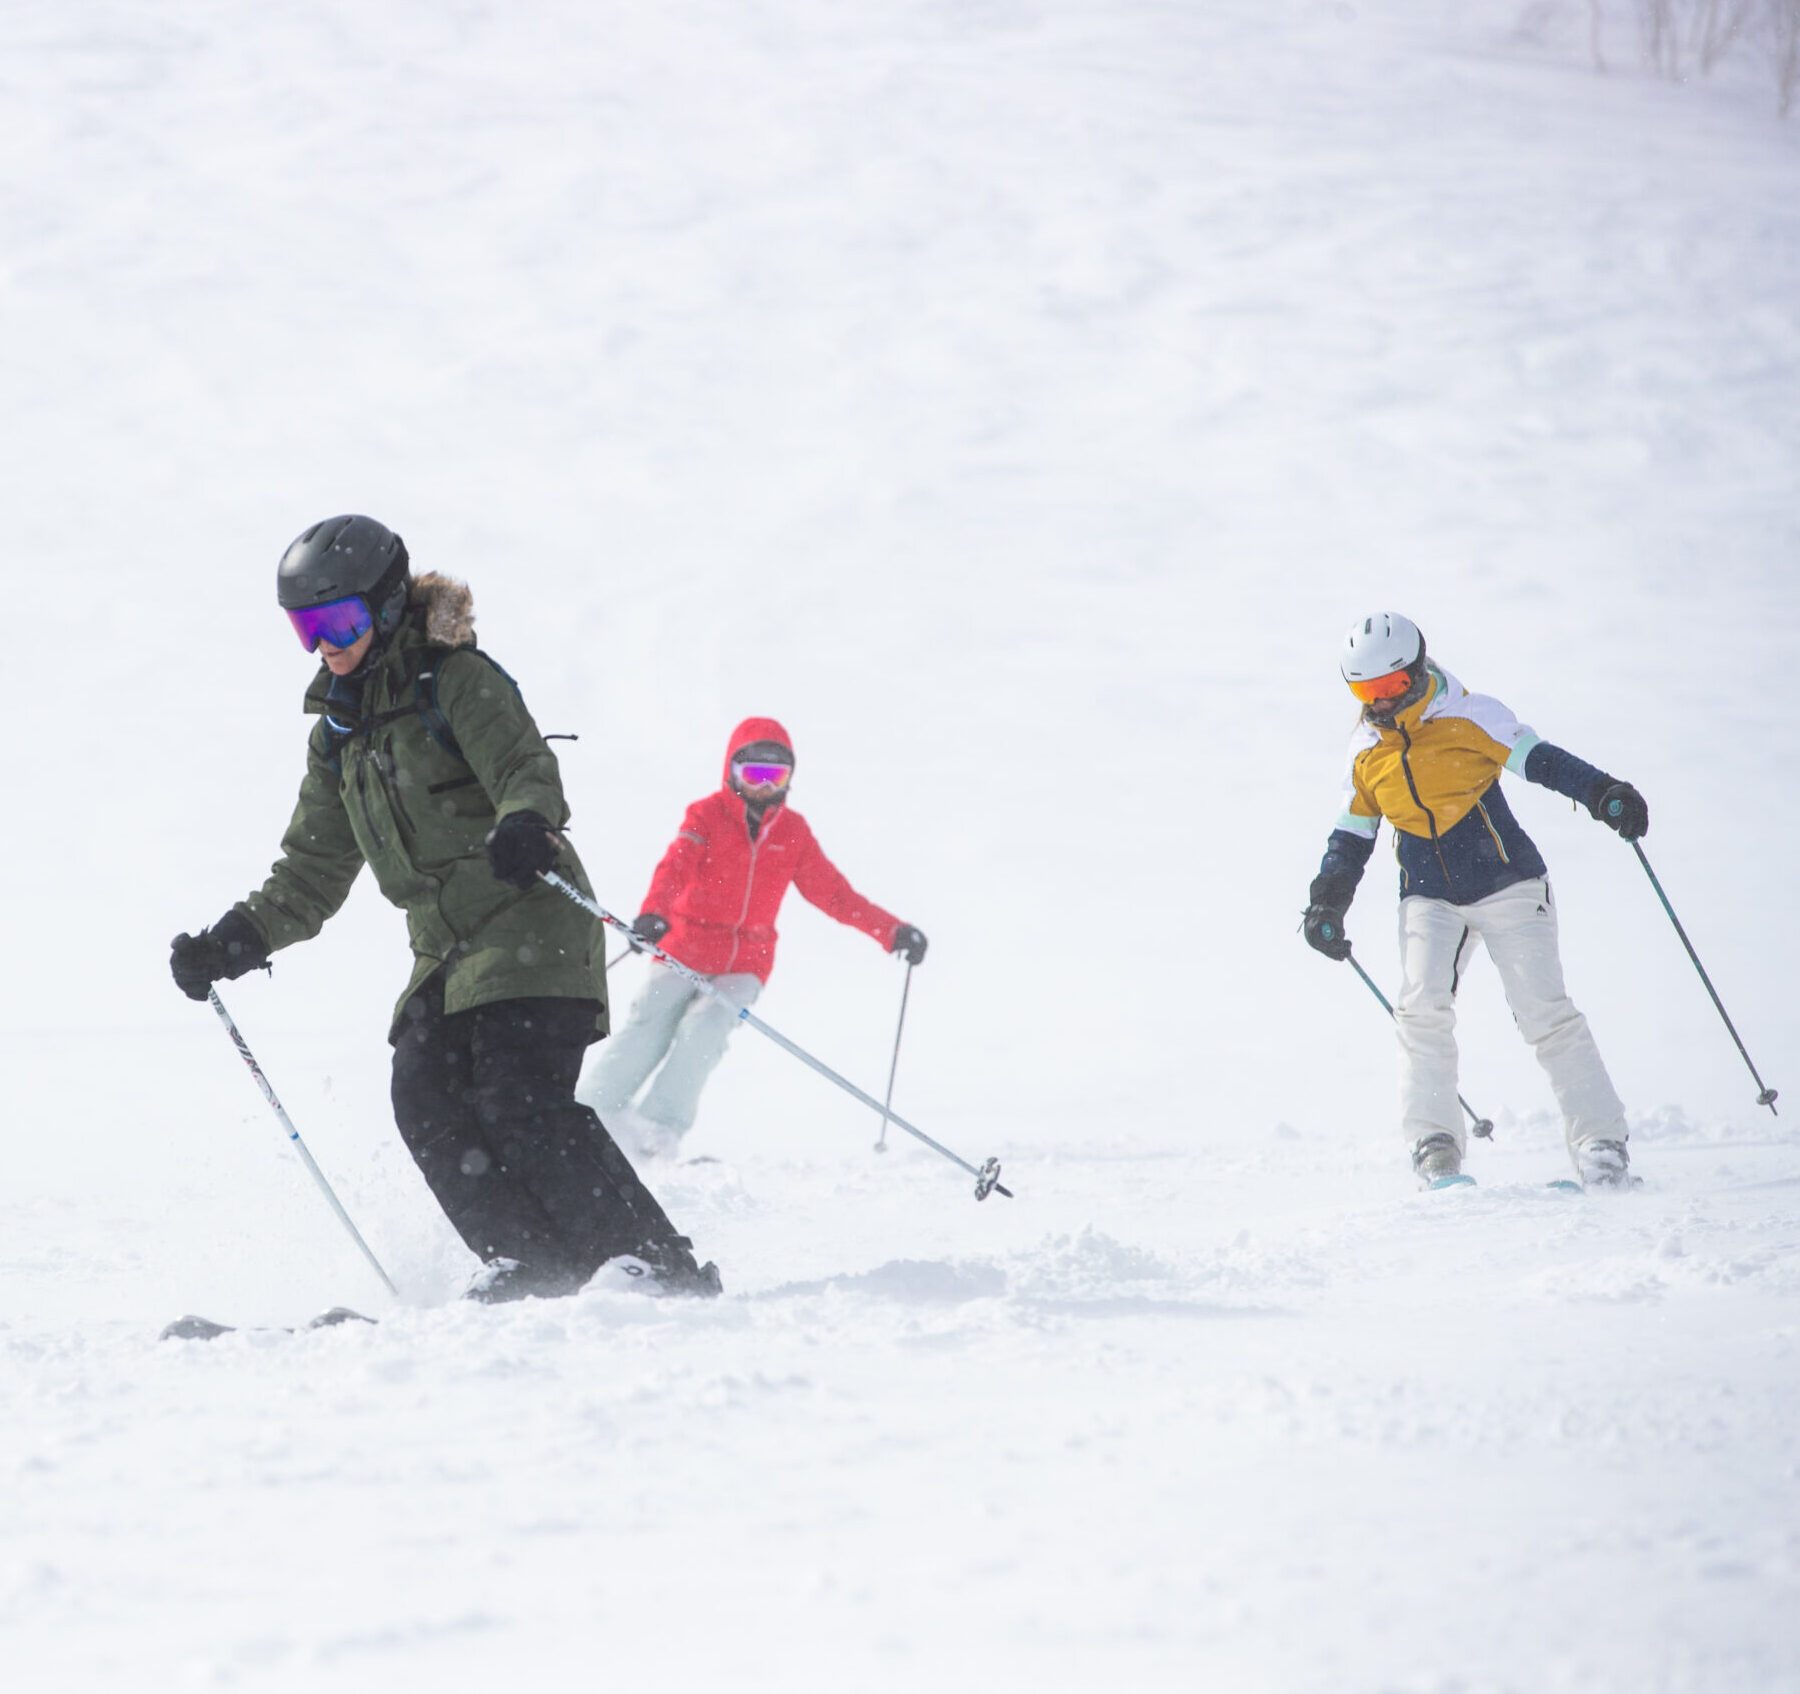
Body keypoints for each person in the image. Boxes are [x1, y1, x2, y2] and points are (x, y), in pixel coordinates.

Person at [170, 514, 718, 1300]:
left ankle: (656, 1264)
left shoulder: (455, 681)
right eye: (306, 628)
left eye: (341, 621)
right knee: (423, 1096)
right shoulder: (339, 737)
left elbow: (524, 765)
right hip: (445, 951)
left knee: (517, 1099)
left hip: (531, 922)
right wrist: (237, 939)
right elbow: (312, 868)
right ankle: (536, 1265)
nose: (327, 644)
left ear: (388, 607)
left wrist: (525, 820)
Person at [1301, 612, 1646, 1191]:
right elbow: (1351, 837)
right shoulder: (1365, 751)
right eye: (1364, 692)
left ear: (1413, 673)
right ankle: (1434, 1145)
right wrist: (1325, 905)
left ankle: (1600, 1144)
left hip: (1508, 883)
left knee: (1545, 1013)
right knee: (1420, 1013)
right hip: (1429, 899)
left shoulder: (1468, 714)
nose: (1377, 703)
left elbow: (1543, 761)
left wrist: (1603, 793)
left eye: (1386, 688)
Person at [580, 716, 927, 1156]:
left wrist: (892, 932)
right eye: (754, 774)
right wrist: (653, 914)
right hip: (684, 945)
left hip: (747, 959)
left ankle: (658, 1129)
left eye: (775, 775)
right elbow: (676, 866)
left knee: (704, 1030)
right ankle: (593, 1112)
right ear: (731, 771)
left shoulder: (793, 833)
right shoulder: (706, 815)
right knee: (650, 1019)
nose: (764, 786)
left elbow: (834, 894)